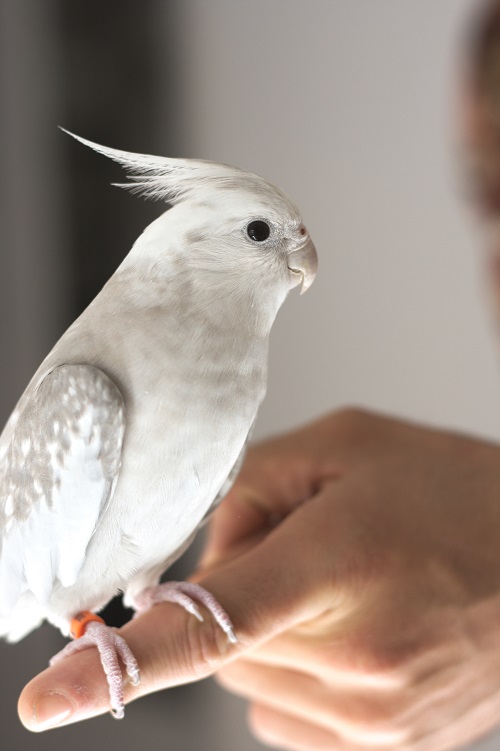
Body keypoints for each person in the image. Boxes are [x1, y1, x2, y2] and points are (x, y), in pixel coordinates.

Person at [17, 3, 500, 750]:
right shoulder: (88, 381)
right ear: (186, 252)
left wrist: (152, 589)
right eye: (259, 233)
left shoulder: (239, 376)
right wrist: (87, 627)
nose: (301, 255)